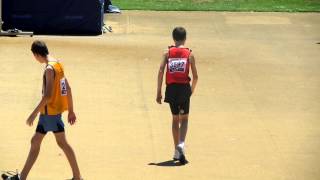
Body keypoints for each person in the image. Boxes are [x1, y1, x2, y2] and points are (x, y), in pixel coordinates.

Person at [3, 40, 82, 180]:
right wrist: (71, 110)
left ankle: (77, 177)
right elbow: (67, 88)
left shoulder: (49, 70)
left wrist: (33, 115)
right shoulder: (58, 64)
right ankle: (23, 177)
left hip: (49, 114)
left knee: (59, 143)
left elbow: (48, 96)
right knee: (37, 142)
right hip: (53, 113)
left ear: (36, 55)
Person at [156, 27, 198, 165]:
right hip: (184, 88)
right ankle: (181, 143)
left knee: (175, 119)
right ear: (185, 38)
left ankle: (176, 149)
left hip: (171, 89)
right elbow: (196, 76)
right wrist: (191, 91)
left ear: (173, 38)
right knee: (184, 119)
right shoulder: (189, 54)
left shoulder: (167, 53)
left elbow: (161, 70)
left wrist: (159, 91)